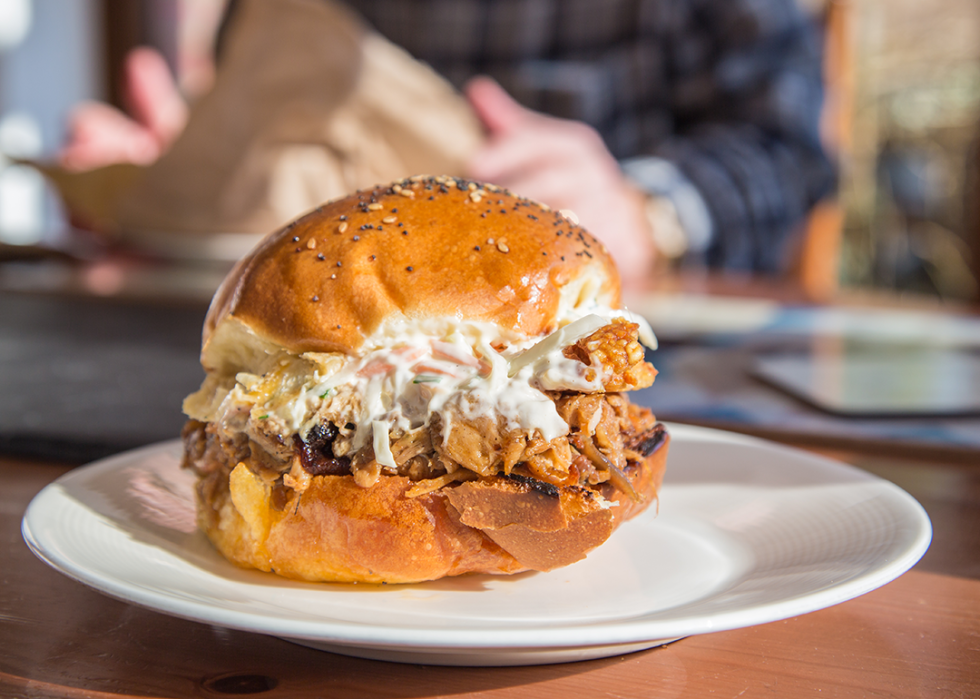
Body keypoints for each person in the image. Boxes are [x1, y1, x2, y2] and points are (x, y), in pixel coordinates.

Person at [61, 0, 835, 285]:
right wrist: (186, 168)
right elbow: (263, 110)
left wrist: (647, 208)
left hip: (610, 343)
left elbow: (788, 150)